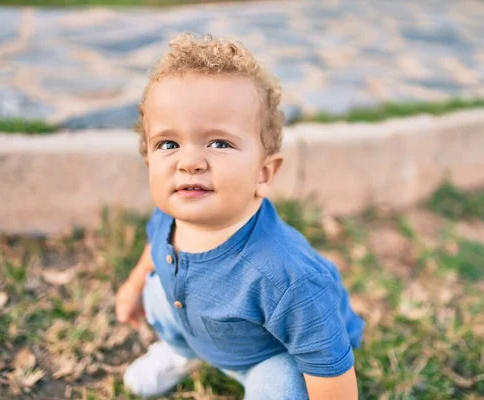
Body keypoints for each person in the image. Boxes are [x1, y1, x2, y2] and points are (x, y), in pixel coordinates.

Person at [114, 33, 365, 399]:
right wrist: (134, 285)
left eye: (219, 143)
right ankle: (184, 353)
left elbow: (330, 369)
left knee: (282, 388)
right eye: (168, 144)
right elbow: (154, 253)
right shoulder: (169, 217)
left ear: (263, 173)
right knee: (156, 291)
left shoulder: (285, 274)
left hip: (273, 357)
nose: (189, 162)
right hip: (205, 329)